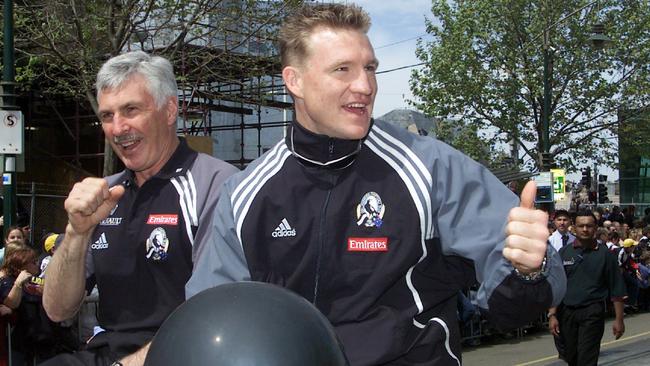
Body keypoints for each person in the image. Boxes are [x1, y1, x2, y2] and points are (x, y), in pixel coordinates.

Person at [186, 4, 566, 365]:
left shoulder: (431, 167)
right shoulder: (245, 194)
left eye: (370, 68)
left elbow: (513, 307)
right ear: (295, 81)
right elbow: (212, 320)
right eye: (343, 70)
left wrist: (528, 272)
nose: (365, 85)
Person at [41, 51, 238, 366]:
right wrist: (76, 232)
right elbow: (56, 309)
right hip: (105, 353)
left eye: (131, 110)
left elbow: (211, 313)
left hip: (185, 354)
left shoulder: (216, 185)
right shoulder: (104, 195)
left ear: (169, 109)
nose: (118, 129)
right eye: (107, 116)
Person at [548, 210, 626, 366]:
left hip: (592, 312)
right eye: (581, 226)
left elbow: (617, 290)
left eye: (589, 226)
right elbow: (557, 286)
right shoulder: (564, 253)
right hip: (567, 313)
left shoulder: (606, 255)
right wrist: (552, 315)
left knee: (587, 359)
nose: (585, 229)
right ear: (574, 228)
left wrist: (619, 320)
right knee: (570, 358)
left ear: (595, 228)